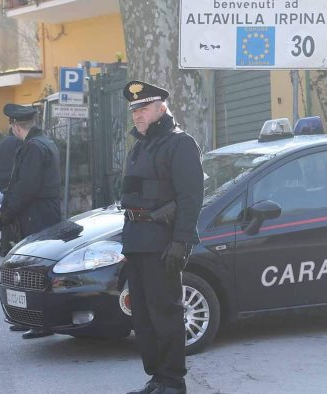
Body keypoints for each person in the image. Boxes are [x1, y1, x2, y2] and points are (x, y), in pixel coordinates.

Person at [120, 81, 203, 394]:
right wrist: (127, 245)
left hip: (162, 241)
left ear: (160, 107)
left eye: (142, 108)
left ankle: (172, 381)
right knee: (142, 316)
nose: (137, 115)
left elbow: (191, 196)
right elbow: (131, 198)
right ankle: (157, 378)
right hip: (138, 241)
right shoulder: (141, 146)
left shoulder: (179, 143)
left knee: (165, 313)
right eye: (134, 110)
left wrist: (182, 241)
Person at [0, 103, 62, 340]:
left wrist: (8, 214)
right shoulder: (44, 143)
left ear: (15, 126)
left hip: (37, 214)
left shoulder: (34, 148)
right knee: (29, 270)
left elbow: (26, 187)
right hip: (42, 212)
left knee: (35, 270)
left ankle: (41, 323)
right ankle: (27, 318)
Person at [0, 126, 24, 258]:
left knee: (7, 218)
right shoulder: (24, 143)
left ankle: (5, 249)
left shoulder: (1, 144)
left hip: (6, 188)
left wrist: (2, 186)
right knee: (19, 219)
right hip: (18, 186)